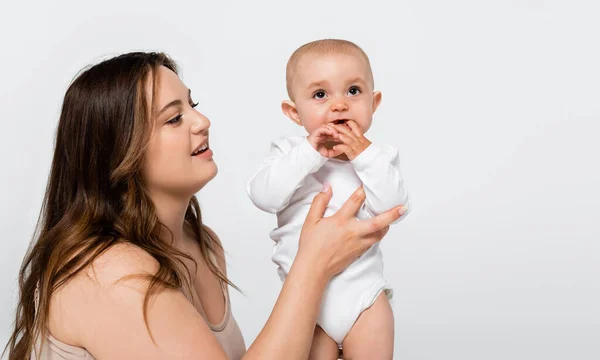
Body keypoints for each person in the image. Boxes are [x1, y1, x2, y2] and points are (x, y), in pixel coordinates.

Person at [4, 52, 405, 360]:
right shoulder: (108, 273)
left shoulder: (202, 244)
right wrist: (313, 265)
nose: (202, 121)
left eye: (192, 104)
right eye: (174, 118)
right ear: (119, 151)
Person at [247, 39, 411, 359]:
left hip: (365, 299)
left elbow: (395, 208)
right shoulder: (290, 154)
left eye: (353, 91)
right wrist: (311, 153)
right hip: (308, 303)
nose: (339, 105)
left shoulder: (378, 158)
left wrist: (363, 156)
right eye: (320, 95)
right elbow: (263, 196)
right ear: (294, 113)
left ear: (374, 103)